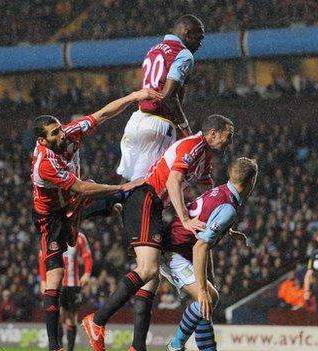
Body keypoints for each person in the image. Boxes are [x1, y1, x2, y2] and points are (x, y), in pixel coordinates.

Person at [83, 114, 234, 351]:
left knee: (151, 281)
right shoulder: (193, 144)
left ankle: (137, 347)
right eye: (228, 135)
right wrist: (185, 219)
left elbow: (208, 189)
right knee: (149, 269)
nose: (229, 141)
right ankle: (97, 320)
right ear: (213, 133)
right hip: (145, 200)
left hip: (153, 207)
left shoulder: (205, 157)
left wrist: (220, 218)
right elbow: (174, 181)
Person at [32, 89, 158, 351]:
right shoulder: (44, 163)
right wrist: (120, 187)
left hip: (74, 201)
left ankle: (108, 211)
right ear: (42, 141)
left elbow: (103, 113)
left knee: (115, 198)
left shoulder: (70, 132)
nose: (61, 134)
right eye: (54, 133)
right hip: (52, 215)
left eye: (59, 128)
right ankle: (54, 346)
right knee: (55, 274)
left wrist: (135, 95)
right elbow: (80, 188)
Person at [161, 157, 258, 351]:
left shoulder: (222, 190)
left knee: (205, 303)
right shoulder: (229, 208)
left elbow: (206, 215)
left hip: (180, 245)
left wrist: (228, 231)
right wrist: (203, 289)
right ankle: (175, 345)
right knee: (208, 297)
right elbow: (200, 247)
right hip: (175, 252)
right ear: (251, 182)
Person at [117, 14, 205, 181]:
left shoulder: (154, 48)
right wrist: (185, 128)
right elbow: (168, 96)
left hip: (137, 119)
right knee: (146, 185)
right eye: (199, 37)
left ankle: (115, 208)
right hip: (158, 124)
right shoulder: (184, 54)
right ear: (187, 33)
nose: (200, 43)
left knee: (124, 183)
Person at [40, 231, 92, 351]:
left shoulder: (79, 237)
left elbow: (87, 256)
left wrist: (87, 273)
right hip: (57, 284)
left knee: (71, 318)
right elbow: (42, 258)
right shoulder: (53, 235)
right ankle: (59, 347)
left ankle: (70, 349)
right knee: (58, 316)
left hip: (73, 284)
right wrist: (43, 280)